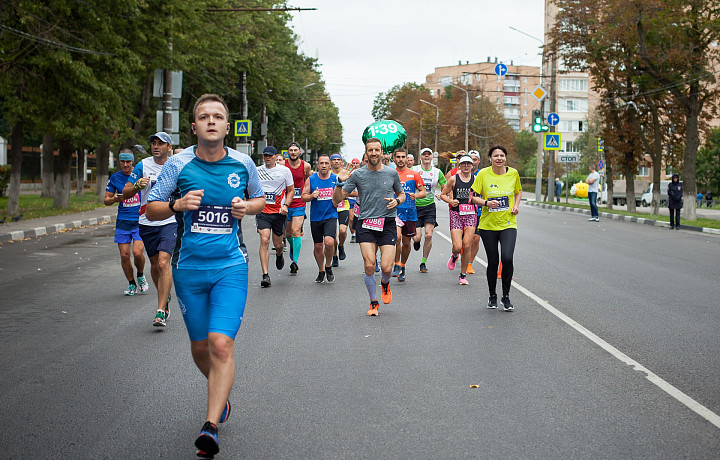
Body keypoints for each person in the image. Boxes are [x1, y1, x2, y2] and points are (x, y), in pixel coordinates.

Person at [146, 94, 265, 459]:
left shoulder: (243, 164)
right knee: (200, 348)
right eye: (204, 116)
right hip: (188, 270)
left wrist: (247, 207)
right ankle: (221, 395)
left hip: (230, 265)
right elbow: (151, 209)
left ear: (227, 126)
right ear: (194, 126)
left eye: (218, 116)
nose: (211, 121)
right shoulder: (178, 165)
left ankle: (210, 425)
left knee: (219, 345)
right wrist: (176, 205)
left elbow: (261, 199)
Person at [333, 138, 404, 316]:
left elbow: (401, 194)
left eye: (376, 150)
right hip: (365, 222)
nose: (373, 153)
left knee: (387, 268)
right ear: (366, 152)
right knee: (370, 265)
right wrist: (339, 182)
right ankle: (373, 302)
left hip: (387, 222)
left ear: (382, 152)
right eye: (370, 150)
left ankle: (385, 284)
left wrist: (397, 201)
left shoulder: (391, 173)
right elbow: (337, 200)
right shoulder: (358, 175)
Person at [123, 131, 177, 327]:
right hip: (147, 221)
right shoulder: (143, 165)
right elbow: (125, 191)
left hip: (170, 220)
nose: (156, 146)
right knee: (155, 265)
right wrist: (137, 185)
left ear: (169, 148)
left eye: (160, 144)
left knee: (164, 263)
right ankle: (165, 296)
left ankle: (161, 310)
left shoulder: (177, 165)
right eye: (153, 143)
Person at [470, 145, 522, 311]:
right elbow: (472, 198)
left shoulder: (513, 173)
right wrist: (486, 203)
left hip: (508, 223)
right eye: (495, 156)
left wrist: (516, 206)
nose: (499, 158)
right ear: (490, 158)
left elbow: (518, 191)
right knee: (493, 261)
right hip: (488, 225)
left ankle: (505, 297)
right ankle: (492, 295)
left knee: (507, 258)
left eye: (502, 155)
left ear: (505, 158)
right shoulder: (484, 174)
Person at [105, 150, 148, 296]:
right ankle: (131, 283)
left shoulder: (140, 176)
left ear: (132, 162)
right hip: (123, 222)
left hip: (139, 220)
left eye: (128, 162)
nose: (125, 164)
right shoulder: (115, 178)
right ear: (119, 162)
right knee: (124, 255)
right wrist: (114, 199)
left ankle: (141, 275)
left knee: (137, 252)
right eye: (122, 162)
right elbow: (106, 199)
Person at [256, 146, 294, 287]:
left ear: (275, 156)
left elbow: (291, 191)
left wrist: (286, 205)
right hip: (263, 211)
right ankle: (265, 275)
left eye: (270, 155)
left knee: (278, 244)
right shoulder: (257, 170)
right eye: (265, 155)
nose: (267, 158)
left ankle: (279, 254)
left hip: (279, 212)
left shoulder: (284, 171)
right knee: (264, 239)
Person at [440, 155, 477, 285]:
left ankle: (462, 275)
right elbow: (443, 194)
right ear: (459, 166)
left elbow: (483, 194)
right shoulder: (453, 179)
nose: (466, 166)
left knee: (467, 245)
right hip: (456, 214)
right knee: (457, 247)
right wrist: (451, 201)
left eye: (468, 164)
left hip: (471, 215)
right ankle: (455, 256)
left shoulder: (476, 180)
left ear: (472, 166)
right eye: (463, 164)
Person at [390, 148, 426, 282]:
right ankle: (396, 264)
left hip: (410, 212)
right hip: (395, 211)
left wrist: (416, 195)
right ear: (394, 158)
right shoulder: (390, 174)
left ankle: (403, 266)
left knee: (406, 242)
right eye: (398, 157)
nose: (400, 159)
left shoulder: (414, 174)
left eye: (403, 157)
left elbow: (423, 192)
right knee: (397, 238)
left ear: (407, 158)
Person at [302, 154, 338, 283]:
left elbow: (343, 194)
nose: (324, 166)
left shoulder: (335, 179)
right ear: (318, 165)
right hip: (316, 217)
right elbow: (303, 196)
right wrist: (312, 195)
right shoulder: (311, 179)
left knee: (329, 242)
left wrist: (337, 198)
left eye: (326, 163)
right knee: (318, 246)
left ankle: (328, 266)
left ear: (330, 165)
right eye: (321, 163)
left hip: (331, 216)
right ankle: (321, 270)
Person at [411, 148, 446, 273]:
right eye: (424, 155)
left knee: (429, 234)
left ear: (432, 157)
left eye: (428, 155)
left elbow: (445, 186)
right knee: (416, 238)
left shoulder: (437, 172)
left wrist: (442, 194)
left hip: (429, 206)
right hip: (415, 206)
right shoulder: (414, 170)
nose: (426, 156)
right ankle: (416, 242)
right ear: (420, 157)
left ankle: (423, 262)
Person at [284, 142, 312, 274]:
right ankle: (292, 247)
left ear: (300, 152)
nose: (293, 152)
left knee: (296, 231)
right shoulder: (282, 165)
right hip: (285, 203)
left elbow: (308, 181)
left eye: (295, 150)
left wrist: (307, 195)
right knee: (288, 233)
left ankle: (294, 262)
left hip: (299, 203)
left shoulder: (306, 166)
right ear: (288, 152)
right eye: (291, 150)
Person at [330, 154, 351, 266]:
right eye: (334, 160)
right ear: (331, 162)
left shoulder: (345, 174)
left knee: (342, 231)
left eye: (338, 160)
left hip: (344, 206)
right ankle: (334, 256)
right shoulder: (328, 175)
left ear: (342, 162)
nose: (336, 162)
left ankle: (341, 246)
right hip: (331, 207)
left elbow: (351, 190)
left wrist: (344, 194)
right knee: (332, 235)